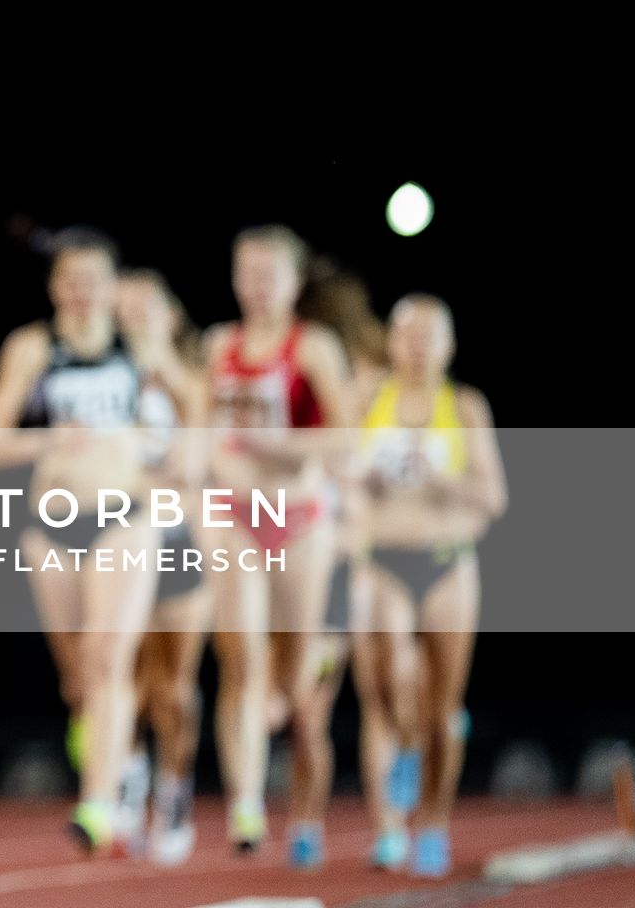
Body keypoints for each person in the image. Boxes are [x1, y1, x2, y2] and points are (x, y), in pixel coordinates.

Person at [0, 229, 158, 856]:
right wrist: (52, 440)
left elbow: (193, 407)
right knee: (79, 676)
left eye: (94, 281)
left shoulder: (141, 346)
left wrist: (166, 453)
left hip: (124, 516)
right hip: (50, 525)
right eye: (70, 281)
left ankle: (97, 803)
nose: (81, 294)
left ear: (113, 286)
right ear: (55, 287)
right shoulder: (31, 348)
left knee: (108, 657)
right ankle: (122, 762)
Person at [199, 225, 351, 862]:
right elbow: (201, 425)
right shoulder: (218, 345)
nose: (257, 287)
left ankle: (302, 673)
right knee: (242, 660)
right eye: (247, 272)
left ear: (294, 282)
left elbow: (345, 438)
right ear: (234, 277)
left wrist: (281, 448)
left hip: (299, 514)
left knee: (289, 683)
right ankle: (247, 805)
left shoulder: (312, 347)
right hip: (234, 510)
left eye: (270, 274)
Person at [348, 295, 506, 878]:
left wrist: (447, 481)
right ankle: (390, 822)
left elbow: (493, 498)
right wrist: (360, 481)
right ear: (391, 342)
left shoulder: (463, 407)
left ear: (448, 346)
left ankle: (432, 825)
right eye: (407, 334)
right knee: (386, 681)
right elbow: (337, 477)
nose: (416, 346)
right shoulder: (369, 400)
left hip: (446, 561)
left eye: (429, 336)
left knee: (443, 707)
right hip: (382, 559)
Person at [114, 268, 211, 865]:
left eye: (146, 308)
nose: (135, 319)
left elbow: (192, 459)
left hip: (178, 538)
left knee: (173, 685)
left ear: (170, 317)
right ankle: (127, 776)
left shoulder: (191, 382)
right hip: (119, 538)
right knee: (121, 676)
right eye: (124, 310)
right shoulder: (106, 379)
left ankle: (174, 788)